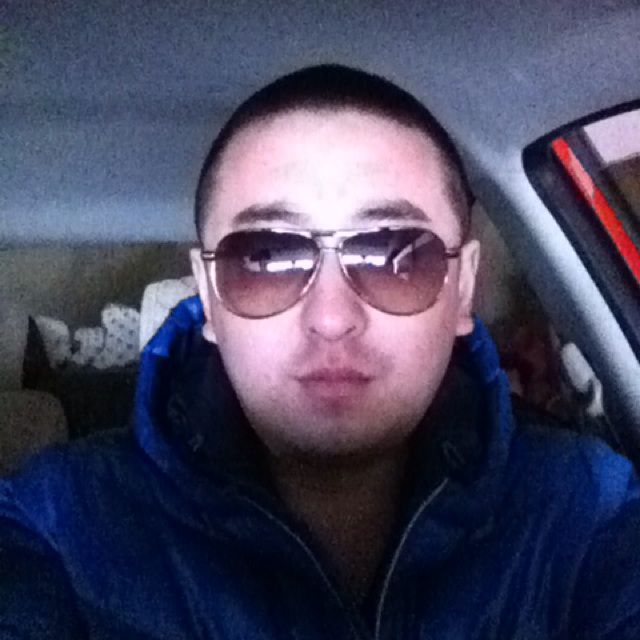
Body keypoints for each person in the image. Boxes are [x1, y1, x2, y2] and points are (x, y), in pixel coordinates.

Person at [1, 64, 639, 639]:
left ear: (462, 287)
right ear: (209, 296)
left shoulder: (589, 513)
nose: (331, 319)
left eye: (394, 256)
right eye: (266, 257)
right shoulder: (55, 527)